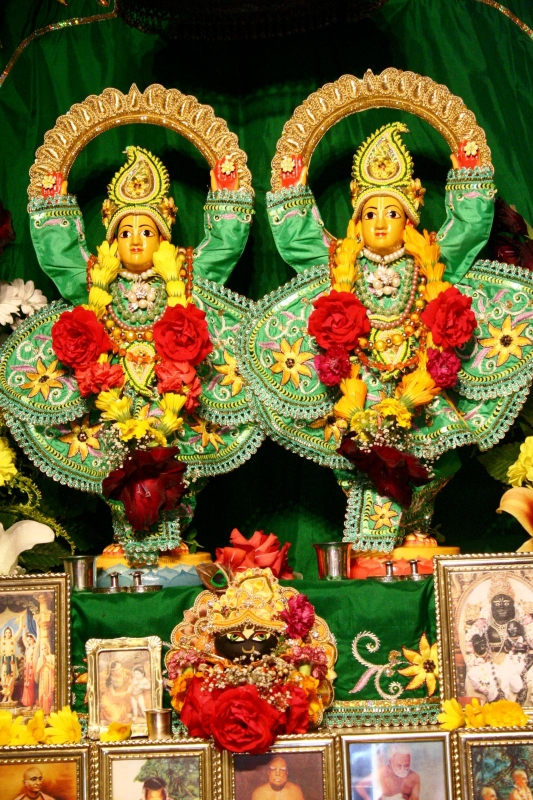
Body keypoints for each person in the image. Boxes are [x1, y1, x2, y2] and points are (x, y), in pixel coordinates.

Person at [240, 118, 533, 552]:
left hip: (423, 393)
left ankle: (416, 531)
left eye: (392, 213)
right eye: (369, 213)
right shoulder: (341, 262)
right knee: (359, 463)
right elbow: (301, 241)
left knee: (431, 461)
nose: (380, 224)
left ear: (410, 219)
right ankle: (372, 547)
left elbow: (466, 231)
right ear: (356, 222)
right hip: (360, 394)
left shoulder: (430, 260)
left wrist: (470, 177)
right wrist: (290, 190)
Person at [0, 142, 255, 562]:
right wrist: (51, 196)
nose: (136, 240)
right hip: (110, 407)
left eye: (147, 231)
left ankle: (175, 541)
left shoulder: (187, 274)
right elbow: (61, 254)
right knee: (116, 471)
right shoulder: (95, 279)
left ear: (165, 238)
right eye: (125, 232)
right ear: (111, 240)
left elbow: (222, 248)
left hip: (179, 408)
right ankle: (127, 542)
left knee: (180, 472)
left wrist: (227, 192)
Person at [354, 745, 420, 800]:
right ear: (390, 761)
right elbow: (359, 786)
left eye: (406, 765)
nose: (403, 769)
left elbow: (414, 798)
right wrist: (368, 798)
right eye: (399, 765)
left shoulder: (414, 778)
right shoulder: (381, 773)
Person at [99, 660, 133, 724]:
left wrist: (130, 684)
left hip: (119, 699)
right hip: (109, 699)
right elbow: (113, 695)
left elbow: (130, 680)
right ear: (112, 672)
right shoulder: (109, 680)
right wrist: (127, 692)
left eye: (120, 667)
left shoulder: (123, 674)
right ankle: (103, 713)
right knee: (115, 718)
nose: (121, 670)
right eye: (118, 669)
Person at [36, 640, 55, 715]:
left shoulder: (52, 657)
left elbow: (53, 667)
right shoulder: (40, 658)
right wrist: (42, 663)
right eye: (42, 649)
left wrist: (46, 663)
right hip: (43, 678)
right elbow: (37, 670)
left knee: (49, 694)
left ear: (48, 648)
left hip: (50, 677)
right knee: (42, 694)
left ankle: (48, 711)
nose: (44, 650)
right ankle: (43, 711)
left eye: (45, 648)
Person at [21, 627, 39, 708]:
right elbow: (23, 639)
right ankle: (28, 703)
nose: (28, 641)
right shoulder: (28, 647)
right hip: (27, 668)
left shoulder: (35, 647)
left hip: (32, 667)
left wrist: (37, 625)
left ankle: (31, 703)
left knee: (31, 685)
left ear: (33, 639)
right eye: (28, 641)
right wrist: (24, 630)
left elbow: (39, 637)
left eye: (30, 640)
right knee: (26, 685)